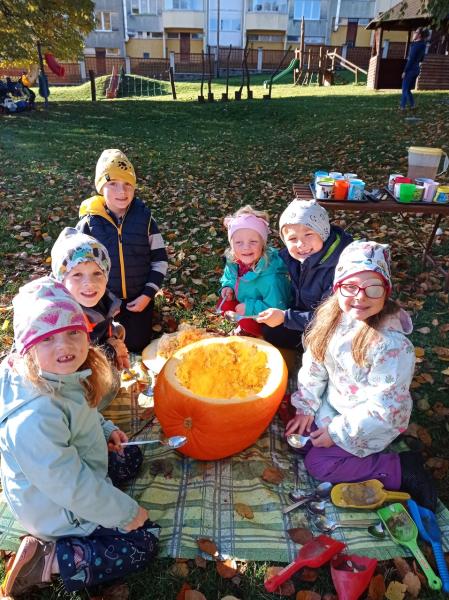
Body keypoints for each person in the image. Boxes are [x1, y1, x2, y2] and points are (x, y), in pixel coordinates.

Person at [0, 278, 159, 597]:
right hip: (56, 508)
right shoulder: (33, 420)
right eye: (48, 338)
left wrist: (105, 430)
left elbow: (81, 408)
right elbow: (71, 487)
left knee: (129, 456)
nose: (65, 346)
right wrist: (126, 513)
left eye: (73, 332)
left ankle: (98, 506)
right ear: (28, 348)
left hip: (73, 467)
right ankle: (48, 560)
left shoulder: (60, 374)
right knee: (144, 541)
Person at [286, 240, 437, 511]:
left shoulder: (391, 346)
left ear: (386, 293)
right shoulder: (332, 320)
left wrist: (336, 433)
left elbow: (384, 409)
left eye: (373, 288)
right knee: (298, 437)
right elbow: (314, 365)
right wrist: (306, 406)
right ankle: (331, 440)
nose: (360, 297)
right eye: (350, 286)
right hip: (337, 404)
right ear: (337, 287)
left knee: (319, 464)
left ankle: (400, 468)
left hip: (372, 420)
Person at [77, 149, 168, 352]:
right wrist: (98, 298)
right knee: (101, 348)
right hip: (101, 301)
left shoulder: (145, 220)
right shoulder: (88, 224)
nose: (122, 191)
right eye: (113, 184)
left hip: (139, 298)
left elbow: (160, 260)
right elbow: (74, 267)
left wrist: (147, 295)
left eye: (128, 184)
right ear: (101, 187)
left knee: (136, 346)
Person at [51, 227, 130, 410]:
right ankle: (86, 413)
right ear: (62, 280)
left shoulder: (100, 301)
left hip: (96, 363)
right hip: (66, 389)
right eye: (77, 275)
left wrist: (114, 335)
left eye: (97, 273)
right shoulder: (61, 317)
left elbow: (100, 329)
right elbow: (71, 364)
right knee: (102, 393)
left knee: (119, 332)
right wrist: (110, 350)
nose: (89, 283)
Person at [257, 199, 352, 349]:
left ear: (323, 233)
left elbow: (331, 319)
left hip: (331, 325)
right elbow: (266, 262)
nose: (301, 244)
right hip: (304, 315)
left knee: (316, 344)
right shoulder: (294, 257)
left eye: (308, 234)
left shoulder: (337, 268)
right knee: (271, 331)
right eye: (292, 238)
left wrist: (286, 317)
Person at [219, 205, 291, 337]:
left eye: (253, 241)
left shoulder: (271, 277)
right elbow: (229, 276)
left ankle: (253, 332)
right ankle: (245, 323)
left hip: (270, 317)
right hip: (246, 300)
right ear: (231, 244)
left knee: (247, 320)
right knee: (224, 305)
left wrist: (250, 308)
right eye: (238, 242)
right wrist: (228, 286)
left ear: (263, 244)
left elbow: (278, 308)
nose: (246, 247)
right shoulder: (234, 261)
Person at [400, 27, 429, 111]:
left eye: (416, 32)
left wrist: (405, 71)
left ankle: (402, 107)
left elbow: (411, 59)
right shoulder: (423, 45)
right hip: (416, 69)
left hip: (411, 70)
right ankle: (413, 105)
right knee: (408, 89)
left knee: (405, 89)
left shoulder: (416, 45)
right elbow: (422, 59)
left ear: (419, 35)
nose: (414, 33)